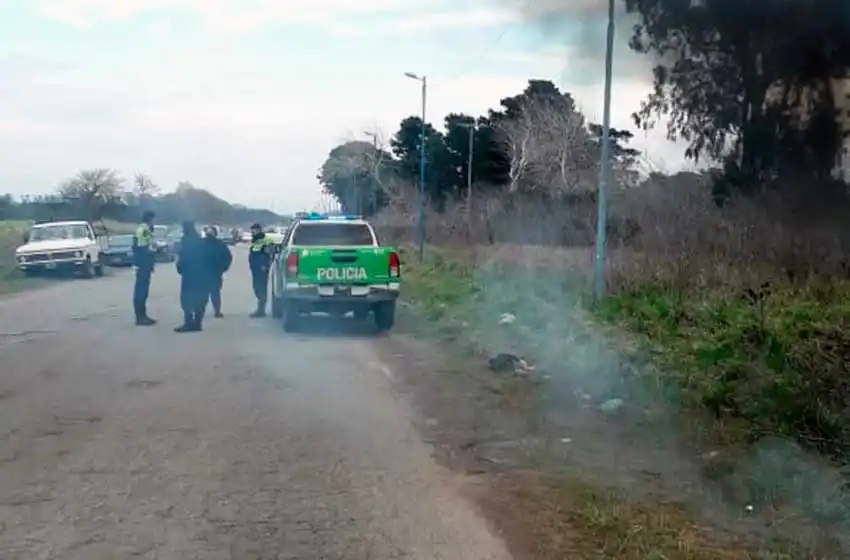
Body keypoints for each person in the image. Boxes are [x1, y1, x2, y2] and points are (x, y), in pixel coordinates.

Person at [174, 221, 211, 332]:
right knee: (199, 298)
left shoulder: (186, 241)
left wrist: (179, 268)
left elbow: (183, 258)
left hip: (189, 274)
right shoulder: (199, 240)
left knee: (187, 299)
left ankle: (189, 323)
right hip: (202, 274)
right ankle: (197, 323)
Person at [131, 210, 157, 326]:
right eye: (153, 220)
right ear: (150, 219)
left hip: (143, 263)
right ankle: (140, 317)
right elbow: (143, 248)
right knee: (141, 291)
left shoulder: (142, 229)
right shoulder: (144, 230)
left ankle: (143, 315)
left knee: (143, 291)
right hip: (143, 264)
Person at [202, 225, 233, 318]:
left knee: (209, 293)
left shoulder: (218, 244)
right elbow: (228, 258)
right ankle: (214, 312)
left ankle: (213, 311)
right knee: (212, 293)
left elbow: (228, 258)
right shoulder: (219, 244)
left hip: (211, 272)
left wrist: (222, 268)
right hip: (210, 272)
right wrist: (223, 269)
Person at [248, 222, 275, 318]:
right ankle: (260, 308)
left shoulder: (267, 240)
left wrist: (265, 265)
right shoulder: (255, 241)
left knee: (261, 288)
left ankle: (261, 310)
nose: (252, 232)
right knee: (256, 288)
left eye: (254, 230)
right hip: (255, 269)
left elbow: (270, 254)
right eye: (251, 231)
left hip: (262, 268)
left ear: (259, 230)